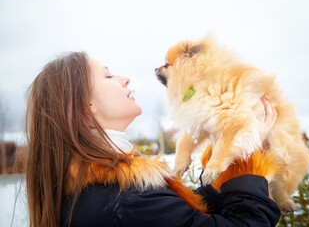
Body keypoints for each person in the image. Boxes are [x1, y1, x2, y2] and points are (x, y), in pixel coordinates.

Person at [25, 52, 280, 227]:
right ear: (85, 105)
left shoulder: (108, 189)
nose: (124, 78)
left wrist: (227, 154)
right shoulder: (124, 200)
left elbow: (183, 215)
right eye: (108, 76)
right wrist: (246, 153)